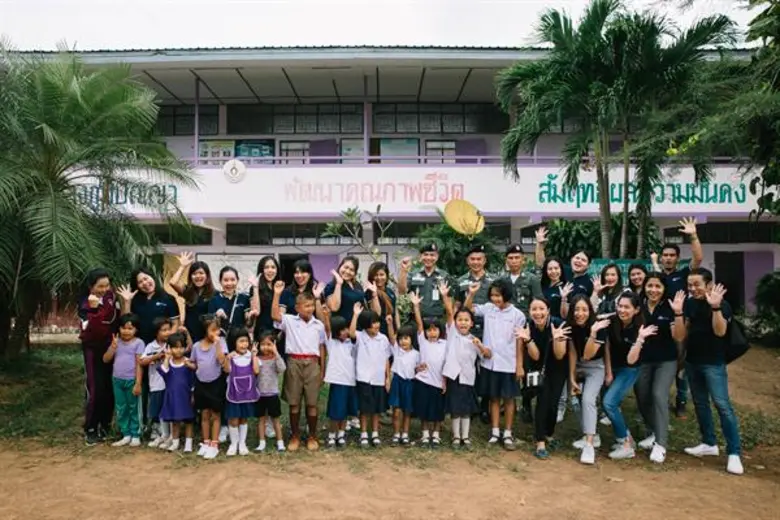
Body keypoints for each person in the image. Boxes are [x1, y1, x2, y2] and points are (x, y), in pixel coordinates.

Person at [682, 268, 743, 475]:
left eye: (697, 284)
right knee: (700, 403)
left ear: (709, 284)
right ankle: (709, 442)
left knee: (722, 405)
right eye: (690, 285)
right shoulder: (689, 303)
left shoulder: (722, 304)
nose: (693, 289)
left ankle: (734, 452)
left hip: (713, 363)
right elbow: (686, 331)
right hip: (692, 361)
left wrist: (715, 307)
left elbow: (720, 331)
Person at [465, 278, 525, 451]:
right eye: (492, 295)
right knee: (493, 397)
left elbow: (519, 342)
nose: (495, 299)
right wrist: (472, 293)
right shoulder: (488, 309)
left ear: (507, 295)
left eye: (498, 296)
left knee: (509, 399)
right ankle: (495, 431)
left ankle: (507, 432)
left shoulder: (517, 315)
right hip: (489, 362)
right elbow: (469, 309)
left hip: (508, 363)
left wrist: (519, 365)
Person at [118, 268, 180, 428]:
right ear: (136, 285)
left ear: (153, 277)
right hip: (140, 349)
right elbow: (127, 321)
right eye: (140, 282)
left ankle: (162, 424)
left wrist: (166, 345)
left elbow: (175, 324)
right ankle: (142, 422)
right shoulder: (136, 300)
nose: (145, 283)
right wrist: (127, 301)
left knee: (160, 385)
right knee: (141, 384)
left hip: (161, 350)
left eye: (146, 278)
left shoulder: (168, 299)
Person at [635, 275, 687, 464]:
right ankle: (652, 430)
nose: (653, 290)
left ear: (664, 289)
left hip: (666, 360)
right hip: (643, 360)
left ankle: (661, 443)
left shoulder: (670, 307)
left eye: (658, 286)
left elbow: (679, 336)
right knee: (641, 395)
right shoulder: (638, 305)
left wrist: (679, 313)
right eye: (650, 286)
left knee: (658, 394)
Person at [271, 280, 327, 452]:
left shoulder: (319, 325)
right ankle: (294, 435)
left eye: (311, 305)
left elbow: (321, 348)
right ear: (297, 308)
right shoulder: (289, 321)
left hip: (312, 364)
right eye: (305, 306)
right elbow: (275, 315)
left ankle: (312, 436)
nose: (309, 309)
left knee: (312, 403)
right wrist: (277, 294)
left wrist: (322, 370)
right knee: (294, 402)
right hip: (294, 362)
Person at [603, 292, 658, 460]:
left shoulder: (642, 328)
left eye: (627, 307)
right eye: (620, 306)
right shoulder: (613, 322)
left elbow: (631, 360)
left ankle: (626, 444)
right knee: (607, 403)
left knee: (609, 403)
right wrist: (609, 371)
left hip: (630, 368)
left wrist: (640, 339)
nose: (622, 310)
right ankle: (627, 439)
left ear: (636, 310)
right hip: (614, 367)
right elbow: (606, 347)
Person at [658, 217, 704, 418]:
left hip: (680, 325)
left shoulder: (684, 274)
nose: (668, 258)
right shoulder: (656, 278)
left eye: (671, 255)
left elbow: (698, 259)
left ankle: (682, 401)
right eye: (665, 255)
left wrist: (693, 236)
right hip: (659, 327)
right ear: (661, 258)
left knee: (680, 365)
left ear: (677, 258)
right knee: (662, 364)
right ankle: (663, 400)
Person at [516, 297, 571, 459]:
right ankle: (540, 441)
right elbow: (535, 355)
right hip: (538, 367)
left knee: (553, 404)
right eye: (534, 309)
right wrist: (528, 340)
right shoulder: (528, 325)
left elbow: (560, 355)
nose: (538, 313)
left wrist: (557, 338)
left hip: (558, 368)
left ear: (548, 310)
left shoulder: (560, 325)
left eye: (541, 309)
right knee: (543, 401)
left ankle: (548, 433)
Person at [441, 282, 489, 449]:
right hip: (453, 376)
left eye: (466, 320)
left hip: (468, 378)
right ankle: (456, 436)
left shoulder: (474, 340)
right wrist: (445, 296)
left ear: (471, 323)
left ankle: (465, 437)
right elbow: (449, 311)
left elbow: (486, 355)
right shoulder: (452, 334)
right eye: (459, 320)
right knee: (455, 409)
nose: (462, 323)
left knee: (466, 409)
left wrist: (480, 345)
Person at [567, 294, 610, 465]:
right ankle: (592, 434)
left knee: (588, 399)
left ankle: (589, 446)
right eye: (576, 309)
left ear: (590, 311)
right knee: (576, 400)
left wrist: (592, 332)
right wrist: (571, 377)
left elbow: (588, 354)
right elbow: (572, 353)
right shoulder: (570, 326)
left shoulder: (598, 326)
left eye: (584, 309)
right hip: (578, 365)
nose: (580, 313)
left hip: (595, 366)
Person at [78, 268, 118, 446]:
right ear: (90, 286)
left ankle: (105, 424)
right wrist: (94, 310)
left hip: (111, 347)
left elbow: (114, 321)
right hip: (93, 350)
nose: (104, 289)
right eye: (100, 286)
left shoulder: (111, 297)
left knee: (109, 387)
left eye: (106, 285)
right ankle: (91, 428)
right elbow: (93, 331)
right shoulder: (85, 305)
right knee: (96, 389)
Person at [351, 302, 393, 448]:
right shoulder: (359, 336)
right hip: (363, 378)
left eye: (376, 322)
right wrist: (355, 315)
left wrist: (387, 378)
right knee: (364, 408)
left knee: (376, 409)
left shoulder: (383, 339)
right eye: (372, 323)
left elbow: (387, 359)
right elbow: (351, 333)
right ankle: (363, 434)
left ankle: (374, 433)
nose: (376, 325)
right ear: (364, 326)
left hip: (378, 378)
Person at [409, 291, 447, 448]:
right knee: (424, 410)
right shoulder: (423, 342)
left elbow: (447, 365)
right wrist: (416, 306)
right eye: (429, 329)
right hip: (423, 381)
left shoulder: (445, 344)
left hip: (439, 383)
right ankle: (425, 435)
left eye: (435, 329)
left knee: (438, 412)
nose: (432, 332)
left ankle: (436, 435)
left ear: (440, 331)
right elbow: (418, 324)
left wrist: (445, 381)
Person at [102, 314, 144, 447]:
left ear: (136, 330)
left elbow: (139, 364)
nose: (126, 331)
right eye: (123, 328)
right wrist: (113, 347)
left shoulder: (139, 343)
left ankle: (136, 434)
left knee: (133, 407)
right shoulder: (116, 342)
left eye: (130, 328)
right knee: (121, 408)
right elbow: (105, 359)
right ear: (119, 328)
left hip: (131, 380)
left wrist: (138, 383)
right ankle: (126, 434)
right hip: (117, 380)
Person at [190, 315, 228, 460]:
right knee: (204, 414)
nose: (216, 332)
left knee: (215, 414)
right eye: (213, 330)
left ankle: (214, 444)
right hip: (201, 383)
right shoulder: (196, 346)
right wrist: (189, 365)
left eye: (217, 329)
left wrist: (217, 344)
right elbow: (194, 364)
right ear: (204, 330)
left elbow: (221, 360)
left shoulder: (221, 343)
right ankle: (205, 443)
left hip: (216, 383)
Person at [320, 308, 358, 449]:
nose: (345, 332)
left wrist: (355, 314)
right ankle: (331, 435)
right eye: (341, 330)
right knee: (336, 412)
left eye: (346, 329)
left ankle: (341, 434)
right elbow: (328, 329)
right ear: (336, 332)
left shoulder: (352, 343)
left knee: (345, 411)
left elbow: (353, 332)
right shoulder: (331, 343)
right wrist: (326, 316)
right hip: (337, 381)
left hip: (350, 381)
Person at [223, 327, 261, 457]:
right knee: (233, 419)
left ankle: (242, 443)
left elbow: (256, 371)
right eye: (241, 341)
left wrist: (254, 355)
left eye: (246, 341)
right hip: (234, 394)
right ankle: (234, 443)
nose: (244, 344)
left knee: (244, 418)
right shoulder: (231, 357)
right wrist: (227, 359)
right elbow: (227, 371)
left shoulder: (251, 356)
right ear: (234, 342)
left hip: (247, 394)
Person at [157, 332, 196, 453]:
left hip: (186, 396)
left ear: (185, 348)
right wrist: (167, 357)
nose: (178, 350)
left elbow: (194, 380)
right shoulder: (169, 364)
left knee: (189, 421)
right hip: (172, 397)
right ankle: (175, 442)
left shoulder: (188, 362)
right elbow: (163, 372)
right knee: (175, 421)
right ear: (169, 348)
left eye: (181, 347)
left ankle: (188, 444)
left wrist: (193, 395)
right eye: (175, 347)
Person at [140, 317, 174, 447]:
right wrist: (156, 356)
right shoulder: (150, 346)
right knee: (157, 409)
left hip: (170, 384)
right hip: (156, 383)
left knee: (169, 408)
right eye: (163, 330)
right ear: (156, 332)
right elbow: (142, 361)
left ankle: (171, 434)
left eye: (168, 329)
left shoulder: (172, 344)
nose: (167, 332)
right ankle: (158, 432)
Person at [167, 252, 214, 343]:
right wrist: (182, 266)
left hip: (207, 337)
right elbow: (173, 282)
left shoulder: (214, 294)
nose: (198, 276)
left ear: (207, 276)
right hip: (189, 337)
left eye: (201, 273)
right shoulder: (188, 292)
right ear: (190, 277)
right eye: (194, 274)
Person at [397, 242, 451, 321]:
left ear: (437, 257)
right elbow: (401, 291)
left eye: (432, 255)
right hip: (417, 318)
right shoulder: (413, 274)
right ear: (420, 256)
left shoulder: (444, 275)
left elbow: (449, 301)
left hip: (437, 320)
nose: (428, 258)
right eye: (425, 254)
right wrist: (403, 271)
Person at [534, 227, 593, 298]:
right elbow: (542, 264)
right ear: (571, 259)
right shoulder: (562, 270)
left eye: (583, 260)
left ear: (588, 265)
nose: (579, 261)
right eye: (577, 258)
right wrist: (539, 245)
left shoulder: (590, 282)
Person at [254, 331, 287, 452]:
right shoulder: (257, 358)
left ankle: (280, 442)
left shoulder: (275, 359)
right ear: (258, 345)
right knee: (261, 419)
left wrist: (276, 352)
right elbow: (254, 371)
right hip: (260, 394)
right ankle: (262, 442)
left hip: (272, 394)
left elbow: (282, 368)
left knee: (276, 419)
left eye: (269, 344)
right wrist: (253, 355)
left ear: (274, 344)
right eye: (263, 344)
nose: (266, 347)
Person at [455, 244, 495, 340]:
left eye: (479, 259)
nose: (475, 262)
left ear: (484, 261)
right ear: (467, 261)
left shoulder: (494, 281)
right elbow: (457, 305)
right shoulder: (461, 281)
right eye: (472, 259)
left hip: (489, 326)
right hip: (466, 327)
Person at [388, 324, 419, 446]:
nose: (403, 341)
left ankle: (405, 434)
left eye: (406, 338)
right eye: (400, 339)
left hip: (410, 383)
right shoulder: (397, 350)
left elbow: (417, 369)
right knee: (396, 410)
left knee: (407, 410)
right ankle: (396, 434)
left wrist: (420, 368)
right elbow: (391, 337)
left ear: (412, 339)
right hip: (397, 381)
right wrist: (390, 324)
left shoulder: (416, 354)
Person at [208, 266, 256, 342]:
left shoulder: (244, 298)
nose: (229, 283)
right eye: (226, 280)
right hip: (221, 342)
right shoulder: (214, 300)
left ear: (237, 280)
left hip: (240, 343)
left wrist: (251, 318)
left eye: (233, 280)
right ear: (220, 281)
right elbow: (210, 326)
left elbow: (249, 324)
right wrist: (216, 316)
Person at [325, 256, 369, 324]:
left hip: (359, 328)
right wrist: (339, 284)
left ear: (355, 273)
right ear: (340, 267)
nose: (347, 271)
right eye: (346, 267)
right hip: (342, 330)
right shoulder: (331, 286)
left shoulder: (357, 285)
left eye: (352, 270)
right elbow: (334, 307)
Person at [502, 243, 543, 315]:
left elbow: (538, 303)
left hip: (525, 320)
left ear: (523, 259)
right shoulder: (501, 280)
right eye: (510, 258)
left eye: (517, 257)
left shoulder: (532, 279)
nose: (514, 261)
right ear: (506, 260)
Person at [249, 255, 283, 337]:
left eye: (273, 267)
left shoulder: (281, 287)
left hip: (277, 334)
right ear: (261, 270)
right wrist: (255, 287)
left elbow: (281, 316)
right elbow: (256, 312)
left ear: (277, 270)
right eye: (266, 267)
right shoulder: (254, 288)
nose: (270, 270)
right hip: (261, 333)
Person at [367, 261, 398, 337]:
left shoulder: (390, 291)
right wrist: (374, 294)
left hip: (392, 331)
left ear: (386, 276)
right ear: (371, 277)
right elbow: (376, 314)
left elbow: (395, 312)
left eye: (382, 275)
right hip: (379, 333)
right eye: (376, 275)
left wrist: (398, 329)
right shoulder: (369, 293)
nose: (379, 278)